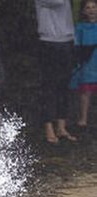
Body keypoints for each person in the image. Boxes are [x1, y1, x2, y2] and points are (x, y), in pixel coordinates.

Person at [36, 0, 78, 144]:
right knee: (48, 86)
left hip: (66, 41)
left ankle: (61, 127)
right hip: (48, 42)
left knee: (63, 87)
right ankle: (49, 128)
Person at [73, 0, 97, 129]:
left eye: (94, 7)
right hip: (87, 64)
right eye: (88, 8)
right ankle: (83, 118)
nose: (92, 10)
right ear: (84, 11)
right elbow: (76, 45)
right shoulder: (80, 27)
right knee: (85, 92)